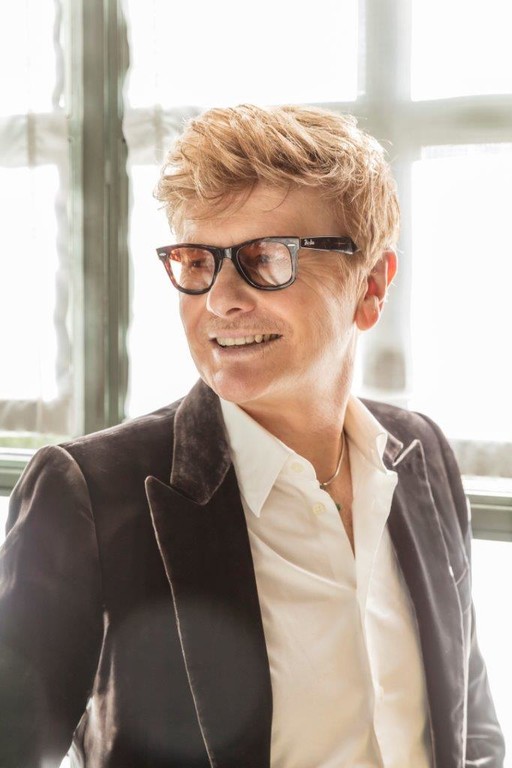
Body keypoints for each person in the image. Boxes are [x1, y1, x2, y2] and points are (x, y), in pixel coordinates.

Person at [0, 104, 505, 768]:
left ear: (371, 286)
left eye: (266, 259)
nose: (221, 300)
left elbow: (471, 730)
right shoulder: (90, 494)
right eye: (196, 261)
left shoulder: (421, 455)